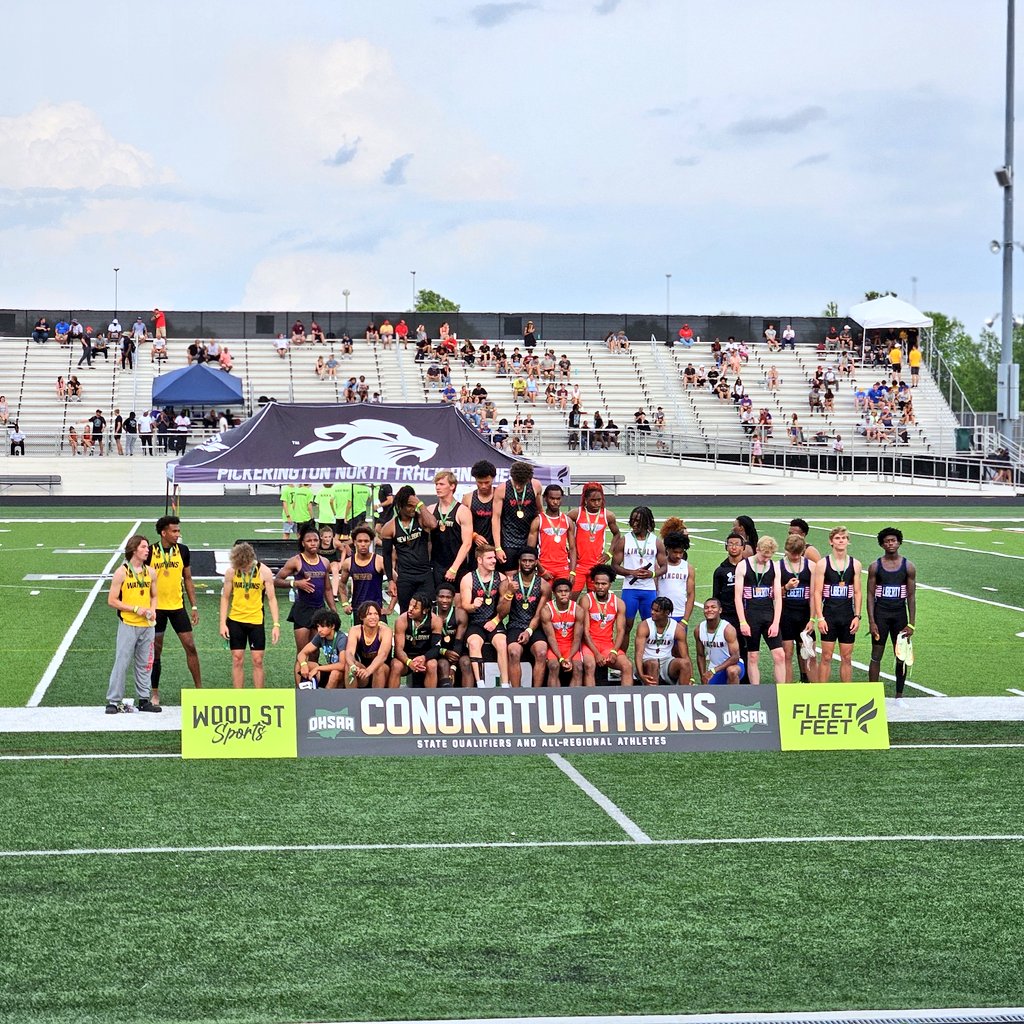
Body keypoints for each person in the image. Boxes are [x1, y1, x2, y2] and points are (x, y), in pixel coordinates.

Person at [147, 515, 202, 706]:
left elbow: (187, 578)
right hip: (156, 610)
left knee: (191, 647)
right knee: (156, 652)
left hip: (178, 607)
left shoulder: (183, 551)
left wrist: (194, 605)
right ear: (164, 532)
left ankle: (199, 690)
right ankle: (154, 693)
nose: (178, 534)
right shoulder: (151, 551)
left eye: (178, 530)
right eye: (174, 531)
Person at [105, 535, 160, 713]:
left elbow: (154, 595)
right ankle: (113, 701)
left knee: (145, 664)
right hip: (128, 624)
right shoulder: (122, 572)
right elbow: (112, 600)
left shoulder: (150, 572)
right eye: (144, 547)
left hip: (147, 625)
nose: (147, 550)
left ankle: (144, 699)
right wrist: (135, 609)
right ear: (134, 549)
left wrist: (153, 609)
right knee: (122, 661)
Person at [219, 542, 280, 688]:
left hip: (256, 621)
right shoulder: (232, 571)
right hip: (235, 620)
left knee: (258, 660)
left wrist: (276, 624)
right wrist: (222, 623)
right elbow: (225, 597)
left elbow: (272, 599)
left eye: (245, 566)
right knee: (237, 659)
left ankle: (258, 697)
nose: (243, 570)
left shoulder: (264, 572)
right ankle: (239, 697)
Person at [867, 527, 917, 698]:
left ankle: (899, 696)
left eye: (893, 540)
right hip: (881, 615)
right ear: (882, 544)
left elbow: (911, 597)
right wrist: (872, 622)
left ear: (899, 542)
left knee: (901, 656)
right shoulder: (875, 566)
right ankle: (872, 694)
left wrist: (911, 623)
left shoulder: (908, 566)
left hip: (899, 616)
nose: (890, 543)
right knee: (876, 655)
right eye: (887, 541)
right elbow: (870, 595)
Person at [275, 524, 337, 655]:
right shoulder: (296, 561)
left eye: (315, 540)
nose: (313, 543)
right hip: (302, 610)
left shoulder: (325, 562)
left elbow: (327, 589)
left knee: (315, 653)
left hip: (319, 610)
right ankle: (301, 676)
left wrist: (333, 610)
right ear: (303, 543)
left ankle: (313, 676)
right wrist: (295, 583)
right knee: (302, 653)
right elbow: (276, 580)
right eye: (309, 541)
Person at [811, 526, 863, 682]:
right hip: (829, 617)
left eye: (844, 538)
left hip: (847, 616)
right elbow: (817, 593)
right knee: (826, 656)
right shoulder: (823, 563)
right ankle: (822, 693)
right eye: (837, 538)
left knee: (846, 657)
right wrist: (820, 618)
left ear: (848, 541)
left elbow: (857, 592)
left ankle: (846, 692)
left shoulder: (855, 564)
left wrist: (857, 616)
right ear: (831, 542)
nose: (841, 541)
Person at [733, 536, 786, 685]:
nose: (765, 560)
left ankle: (781, 691)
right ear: (757, 549)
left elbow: (778, 597)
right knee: (753, 656)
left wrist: (776, 623)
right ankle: (756, 691)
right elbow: (737, 597)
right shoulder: (743, 566)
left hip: (768, 615)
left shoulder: (774, 566)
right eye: (763, 556)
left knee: (779, 655)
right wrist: (743, 621)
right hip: (751, 615)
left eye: (769, 557)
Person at [459, 545, 513, 687]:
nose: (494, 560)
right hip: (475, 622)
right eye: (490, 558)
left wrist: (496, 621)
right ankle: (480, 683)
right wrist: (473, 605)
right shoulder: (468, 579)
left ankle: (505, 683)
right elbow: (465, 605)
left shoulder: (501, 578)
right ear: (479, 560)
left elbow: (505, 607)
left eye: (494, 557)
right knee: (474, 643)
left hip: (495, 620)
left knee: (502, 643)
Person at [610, 506, 664, 643]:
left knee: (650, 627)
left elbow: (664, 567)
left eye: (638, 521)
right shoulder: (624, 540)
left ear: (646, 522)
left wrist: (651, 574)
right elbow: (614, 565)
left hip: (649, 590)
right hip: (630, 589)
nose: (634, 524)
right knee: (626, 626)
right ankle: (621, 658)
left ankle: (648, 660)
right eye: (632, 520)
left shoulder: (656, 541)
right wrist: (630, 572)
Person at [380, 485, 438, 610]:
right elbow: (387, 556)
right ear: (400, 506)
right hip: (406, 577)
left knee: (429, 612)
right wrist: (390, 580)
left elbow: (433, 524)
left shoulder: (421, 519)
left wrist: (420, 504)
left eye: (414, 505)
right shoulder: (389, 528)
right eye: (409, 506)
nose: (413, 509)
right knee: (406, 613)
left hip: (425, 575)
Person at [504, 547, 550, 687]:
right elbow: (502, 612)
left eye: (531, 561)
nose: (527, 564)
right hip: (515, 625)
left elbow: (539, 614)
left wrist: (529, 631)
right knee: (513, 652)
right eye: (524, 561)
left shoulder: (543, 585)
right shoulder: (509, 583)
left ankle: (536, 692)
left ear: (536, 562)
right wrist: (509, 593)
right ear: (519, 562)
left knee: (542, 652)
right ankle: (516, 693)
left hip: (534, 627)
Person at [581, 565, 633, 685]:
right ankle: (592, 701)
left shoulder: (618, 603)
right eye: (597, 583)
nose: (600, 587)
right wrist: (596, 653)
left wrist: (614, 651)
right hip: (589, 645)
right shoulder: (586, 600)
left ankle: (626, 701)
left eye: (603, 584)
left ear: (610, 584)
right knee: (590, 665)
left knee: (627, 666)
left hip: (607, 646)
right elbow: (585, 631)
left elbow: (620, 631)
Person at [568, 483, 619, 599]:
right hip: (578, 565)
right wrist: (567, 548)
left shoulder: (608, 515)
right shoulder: (576, 514)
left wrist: (609, 553)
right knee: (571, 599)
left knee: (594, 600)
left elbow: (617, 534)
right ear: (585, 500)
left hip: (597, 565)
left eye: (599, 500)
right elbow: (561, 528)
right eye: (593, 500)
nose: (596, 503)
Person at [541, 577, 594, 686]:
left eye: (566, 591)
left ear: (570, 593)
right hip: (554, 646)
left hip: (571, 647)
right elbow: (551, 637)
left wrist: (569, 658)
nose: (563, 594)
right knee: (553, 666)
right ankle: (555, 699)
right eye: (560, 591)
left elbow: (577, 638)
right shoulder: (547, 610)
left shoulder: (578, 610)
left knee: (579, 668)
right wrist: (560, 658)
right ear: (554, 593)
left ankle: (573, 700)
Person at [336, 524, 395, 621]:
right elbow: (342, 583)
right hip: (358, 611)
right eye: (360, 541)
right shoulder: (348, 562)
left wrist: (390, 608)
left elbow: (397, 581)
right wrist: (345, 603)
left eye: (366, 541)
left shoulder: (379, 561)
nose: (363, 544)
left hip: (377, 611)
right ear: (354, 542)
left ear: (371, 542)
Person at [778, 533, 816, 683]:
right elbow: (773, 594)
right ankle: (787, 692)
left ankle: (812, 688)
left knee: (809, 653)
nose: (794, 556)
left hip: (805, 615)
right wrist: (786, 587)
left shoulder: (811, 566)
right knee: (787, 654)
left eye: (797, 554)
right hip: (785, 615)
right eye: (791, 553)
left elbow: (814, 595)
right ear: (786, 550)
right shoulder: (778, 567)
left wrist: (812, 619)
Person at [430, 470, 474, 590]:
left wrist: (454, 568)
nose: (438, 487)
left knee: (458, 603)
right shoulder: (430, 510)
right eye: (436, 484)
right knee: (438, 602)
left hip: (457, 565)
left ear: (452, 486)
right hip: (436, 565)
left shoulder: (462, 511)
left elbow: (467, 543)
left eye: (441, 484)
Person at [634, 597, 691, 686]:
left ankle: (682, 696)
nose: (652, 612)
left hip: (667, 662)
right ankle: (654, 697)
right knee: (653, 664)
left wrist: (690, 677)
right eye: (652, 609)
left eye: (656, 611)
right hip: (648, 661)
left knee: (685, 663)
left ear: (667, 613)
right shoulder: (644, 626)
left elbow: (685, 656)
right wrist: (641, 674)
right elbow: (638, 653)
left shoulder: (678, 629)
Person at [390, 592, 443, 688]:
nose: (410, 609)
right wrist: (409, 662)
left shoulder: (435, 621)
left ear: (425, 611)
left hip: (425, 657)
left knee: (432, 664)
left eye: (415, 608)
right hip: (406, 658)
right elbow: (398, 649)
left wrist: (424, 658)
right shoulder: (402, 620)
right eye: (410, 605)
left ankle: (430, 699)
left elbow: (436, 647)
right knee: (396, 665)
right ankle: (391, 698)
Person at [712, 531, 748, 668]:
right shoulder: (720, 571)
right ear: (726, 547)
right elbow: (716, 596)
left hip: (746, 613)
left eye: (737, 544)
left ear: (743, 547)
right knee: (730, 647)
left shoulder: (749, 567)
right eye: (730, 544)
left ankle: (748, 680)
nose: (733, 547)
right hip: (728, 615)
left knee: (747, 647)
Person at [529, 483, 576, 584]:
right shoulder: (538, 521)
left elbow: (572, 548)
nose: (555, 502)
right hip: (545, 566)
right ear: (545, 498)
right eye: (552, 498)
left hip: (563, 568)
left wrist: (572, 572)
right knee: (544, 598)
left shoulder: (567, 520)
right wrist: (542, 570)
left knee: (563, 598)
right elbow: (530, 551)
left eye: (558, 499)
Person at [695, 597, 745, 685]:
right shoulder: (699, 629)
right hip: (714, 668)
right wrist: (703, 675)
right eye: (706, 608)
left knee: (731, 671)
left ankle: (734, 697)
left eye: (713, 607)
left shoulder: (728, 629)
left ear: (720, 610)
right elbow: (700, 655)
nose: (709, 610)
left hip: (733, 665)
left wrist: (713, 671)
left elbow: (735, 657)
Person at [295, 609, 347, 689]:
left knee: (335, 673)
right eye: (318, 626)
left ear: (332, 626)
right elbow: (302, 653)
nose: (319, 630)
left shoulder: (341, 639)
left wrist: (318, 668)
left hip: (344, 674)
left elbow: (342, 665)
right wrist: (303, 664)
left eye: (323, 626)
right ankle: (300, 693)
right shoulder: (320, 636)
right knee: (299, 664)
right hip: (330, 669)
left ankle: (325, 699)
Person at [345, 601, 393, 688]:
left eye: (376, 614)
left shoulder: (386, 631)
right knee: (349, 666)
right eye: (369, 614)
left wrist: (369, 670)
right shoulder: (355, 630)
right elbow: (349, 652)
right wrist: (352, 665)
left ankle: (377, 699)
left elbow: (383, 655)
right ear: (361, 617)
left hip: (381, 671)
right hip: (362, 671)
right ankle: (351, 698)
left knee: (379, 667)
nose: (373, 617)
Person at [656, 531, 695, 627]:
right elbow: (654, 590)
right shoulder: (658, 565)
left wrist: (685, 620)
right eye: (675, 552)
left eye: (681, 552)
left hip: (680, 614)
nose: (678, 556)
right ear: (667, 549)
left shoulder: (688, 568)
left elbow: (691, 595)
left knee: (680, 642)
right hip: (661, 614)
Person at [434, 582, 469, 686]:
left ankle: (470, 697)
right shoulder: (431, 614)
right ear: (436, 597)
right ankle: (446, 696)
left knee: (466, 663)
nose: (444, 600)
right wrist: (444, 652)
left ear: (453, 598)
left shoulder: (460, 614)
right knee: (443, 664)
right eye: (441, 597)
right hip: (439, 651)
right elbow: (430, 642)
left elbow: (459, 642)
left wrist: (453, 667)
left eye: (448, 597)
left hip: (457, 651)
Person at [463, 459, 498, 559]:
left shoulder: (500, 496)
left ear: (493, 478)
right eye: (479, 482)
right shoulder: (468, 498)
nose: (483, 486)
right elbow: (462, 524)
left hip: (497, 547)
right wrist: (474, 536)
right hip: (477, 548)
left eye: (487, 482)